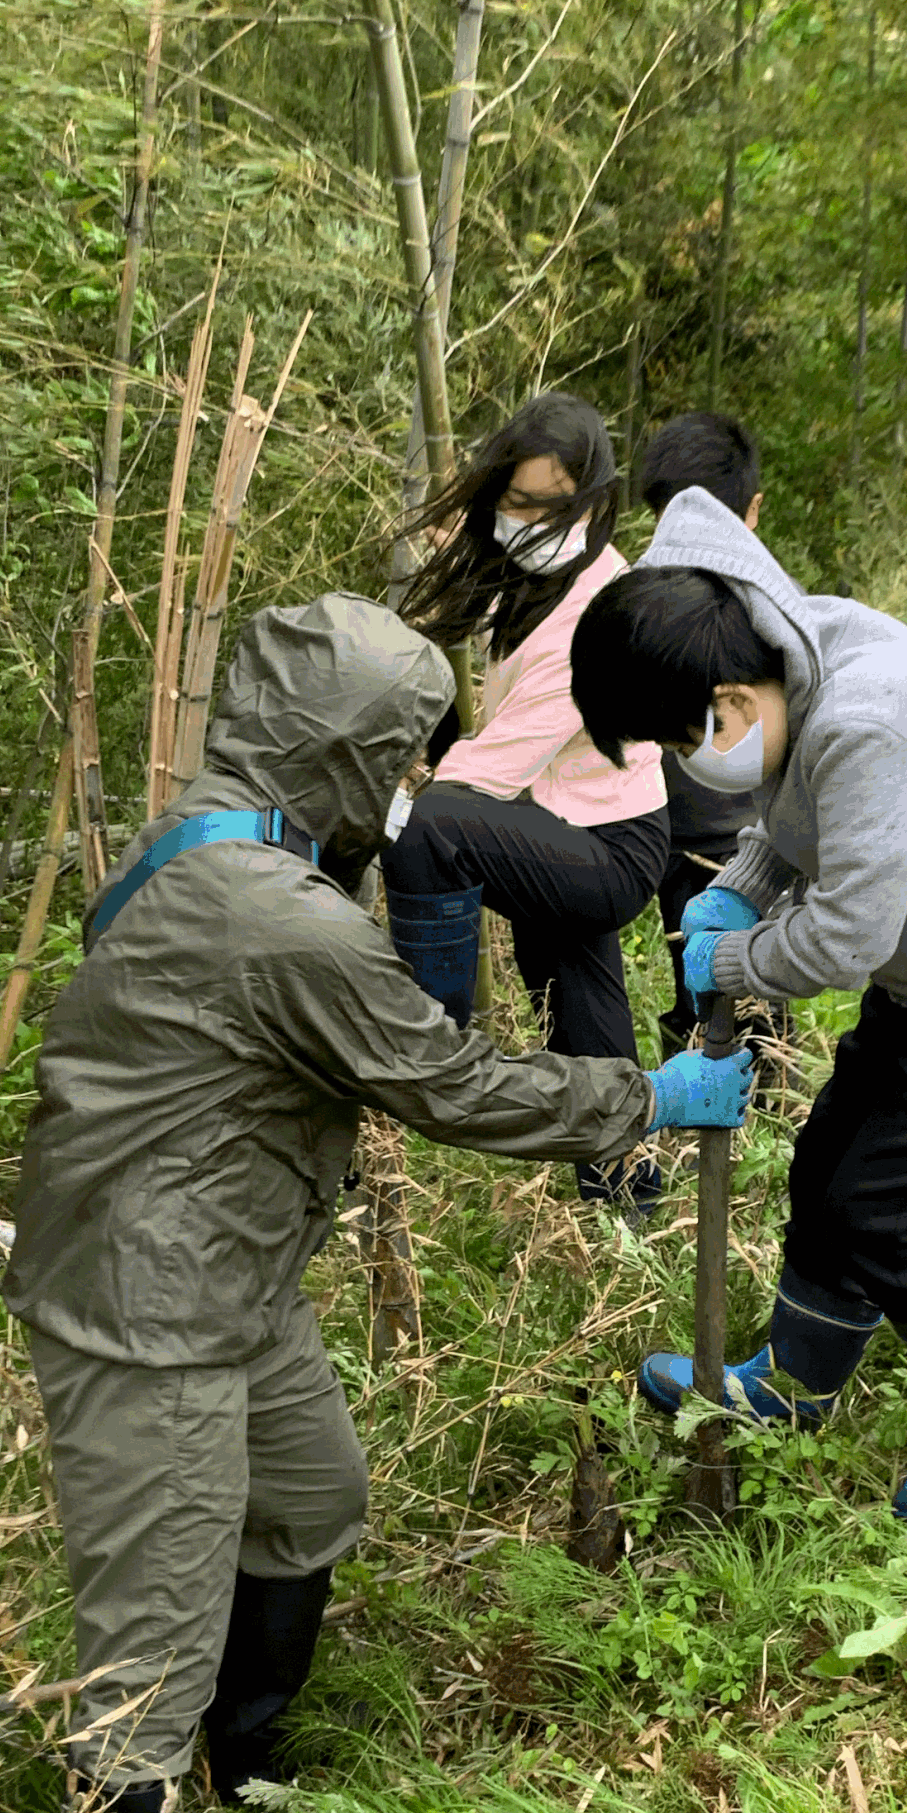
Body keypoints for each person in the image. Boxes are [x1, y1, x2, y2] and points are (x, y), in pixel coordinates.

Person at [2, 591, 753, 1813]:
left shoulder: (225, 837)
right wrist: (642, 1098)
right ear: (342, 751)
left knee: (308, 1498)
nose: (410, 790)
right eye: (401, 759)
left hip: (230, 1266)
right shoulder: (271, 916)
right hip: (147, 1310)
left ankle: (252, 1776)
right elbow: (451, 1084)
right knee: (146, 1645)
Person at [570, 497, 907, 1526]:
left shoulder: (867, 723)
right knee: (827, 1165)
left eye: (679, 738)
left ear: (729, 698)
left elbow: (843, 937)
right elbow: (797, 814)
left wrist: (727, 957)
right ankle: (797, 1382)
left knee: (878, 1206)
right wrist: (740, 880)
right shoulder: (799, 655)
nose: (685, 763)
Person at [385, 393, 672, 1211]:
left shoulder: (595, 611)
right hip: (566, 818)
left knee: (435, 830)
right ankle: (625, 1191)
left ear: (590, 498)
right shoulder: (542, 570)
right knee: (575, 995)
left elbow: (486, 774)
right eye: (514, 502)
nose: (527, 520)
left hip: (610, 842)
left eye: (550, 506)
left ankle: (429, 1038)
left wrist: (401, 810)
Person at [632, 411, 788, 1060]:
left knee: (723, 994)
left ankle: (740, 1121)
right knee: (729, 997)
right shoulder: (777, 598)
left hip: (711, 834)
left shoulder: (640, 589)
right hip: (715, 830)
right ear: (753, 507)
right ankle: (734, 1119)